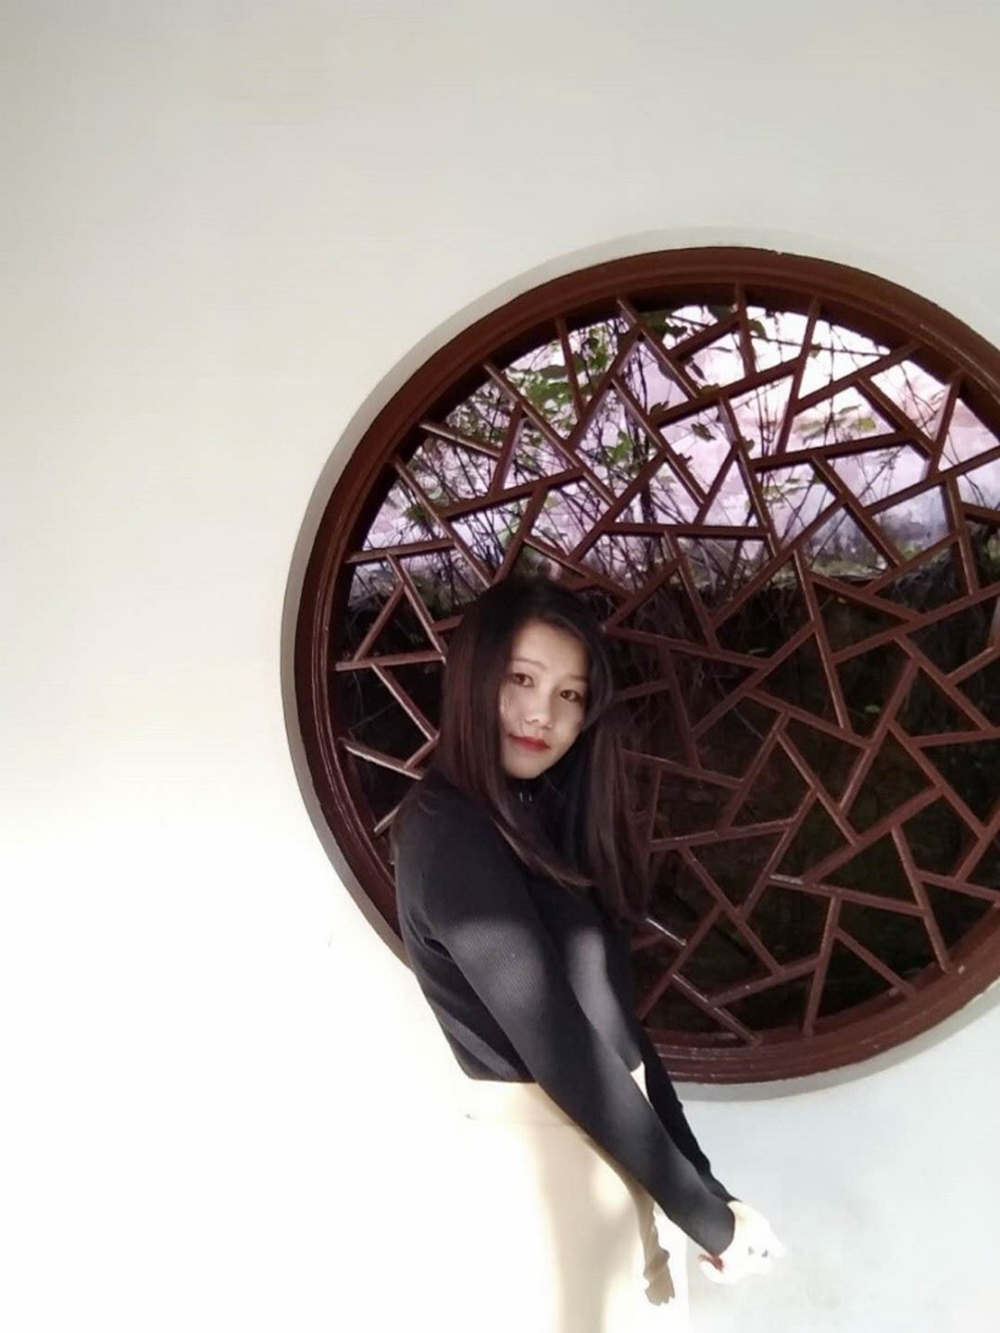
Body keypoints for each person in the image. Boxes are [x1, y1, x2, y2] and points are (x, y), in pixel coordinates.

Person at [391, 573, 784, 1329]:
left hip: (618, 1158)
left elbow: (616, 1031)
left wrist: (707, 1189)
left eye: (569, 694)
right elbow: (563, 1048)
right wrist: (706, 1216)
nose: (543, 712)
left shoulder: (532, 824)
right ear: (473, 678)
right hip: (551, 1182)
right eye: (521, 679)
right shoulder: (448, 833)